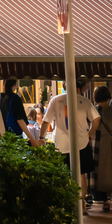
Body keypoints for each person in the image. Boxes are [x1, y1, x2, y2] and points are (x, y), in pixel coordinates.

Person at [43, 84, 100, 212]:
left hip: (62, 144)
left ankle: (67, 204)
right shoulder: (84, 100)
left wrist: (41, 137)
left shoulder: (55, 100)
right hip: (82, 142)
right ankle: (80, 205)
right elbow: (96, 118)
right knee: (81, 175)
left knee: (64, 175)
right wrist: (89, 133)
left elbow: (46, 121)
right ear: (78, 87)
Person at [0, 77, 32, 144]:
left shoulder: (0, 99)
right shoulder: (15, 99)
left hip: (4, 137)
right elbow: (20, 120)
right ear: (15, 85)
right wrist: (31, 138)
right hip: (14, 138)